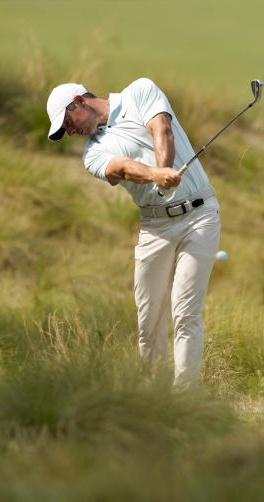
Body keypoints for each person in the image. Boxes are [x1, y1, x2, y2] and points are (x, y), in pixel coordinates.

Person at [45, 78, 220, 387]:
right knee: (149, 320)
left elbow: (161, 129)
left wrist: (164, 169)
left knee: (184, 313)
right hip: (155, 227)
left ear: (78, 101)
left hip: (199, 216)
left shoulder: (140, 91)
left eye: (67, 122)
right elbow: (122, 168)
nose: (69, 132)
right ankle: (153, 398)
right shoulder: (91, 154)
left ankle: (184, 403)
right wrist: (157, 175)